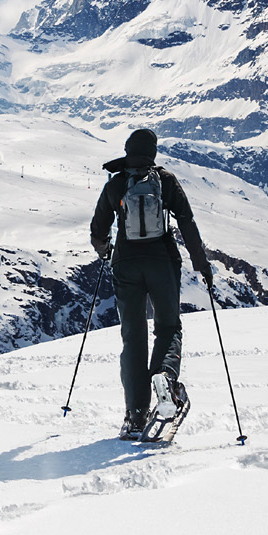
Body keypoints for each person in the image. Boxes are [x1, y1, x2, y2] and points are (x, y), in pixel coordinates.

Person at [90, 128, 216, 440]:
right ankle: (165, 380)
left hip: (126, 265)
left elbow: (98, 229)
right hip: (163, 262)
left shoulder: (117, 182)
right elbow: (186, 221)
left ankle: (135, 414)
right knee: (169, 327)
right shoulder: (166, 181)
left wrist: (106, 250)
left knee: (133, 337)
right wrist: (202, 264)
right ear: (153, 153)